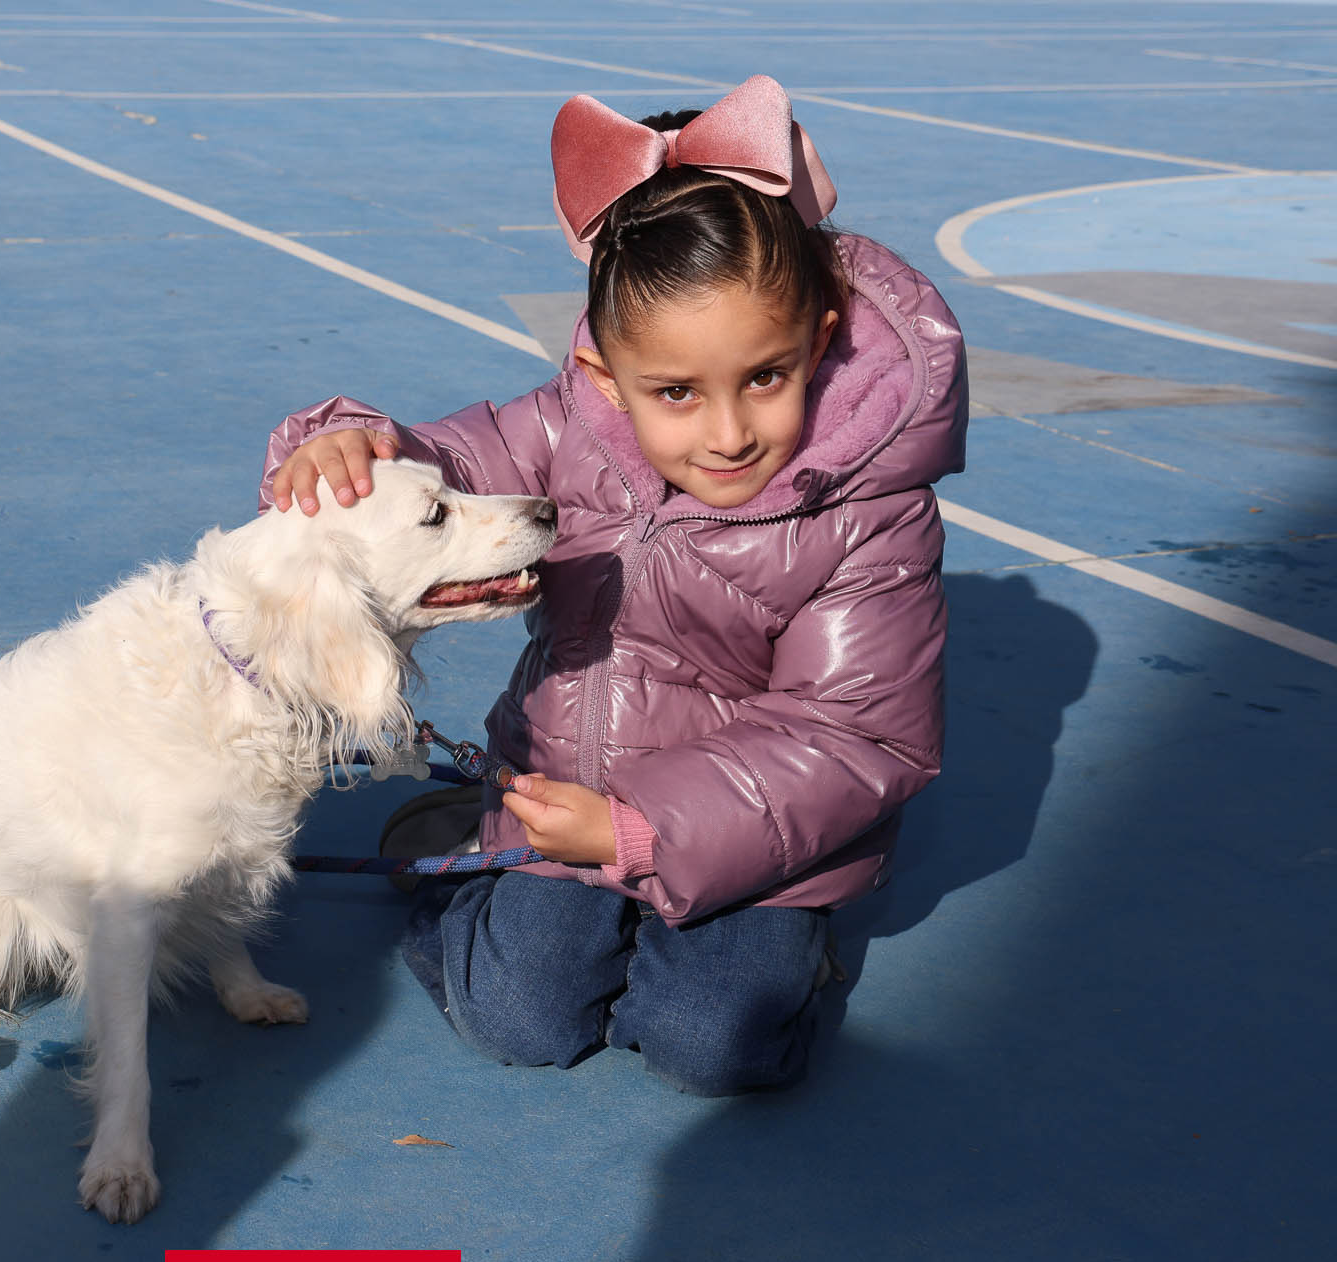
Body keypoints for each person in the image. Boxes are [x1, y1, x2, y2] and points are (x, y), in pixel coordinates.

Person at [259, 77, 968, 1095]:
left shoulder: (868, 511)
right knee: (518, 1018)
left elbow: (858, 736)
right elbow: (442, 467)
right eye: (674, 392)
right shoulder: (565, 427)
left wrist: (644, 832)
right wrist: (351, 446)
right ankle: (462, 847)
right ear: (606, 379)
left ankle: (781, 957)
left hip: (762, 843)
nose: (727, 433)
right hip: (565, 792)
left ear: (818, 338)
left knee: (712, 1045)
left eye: (764, 377)